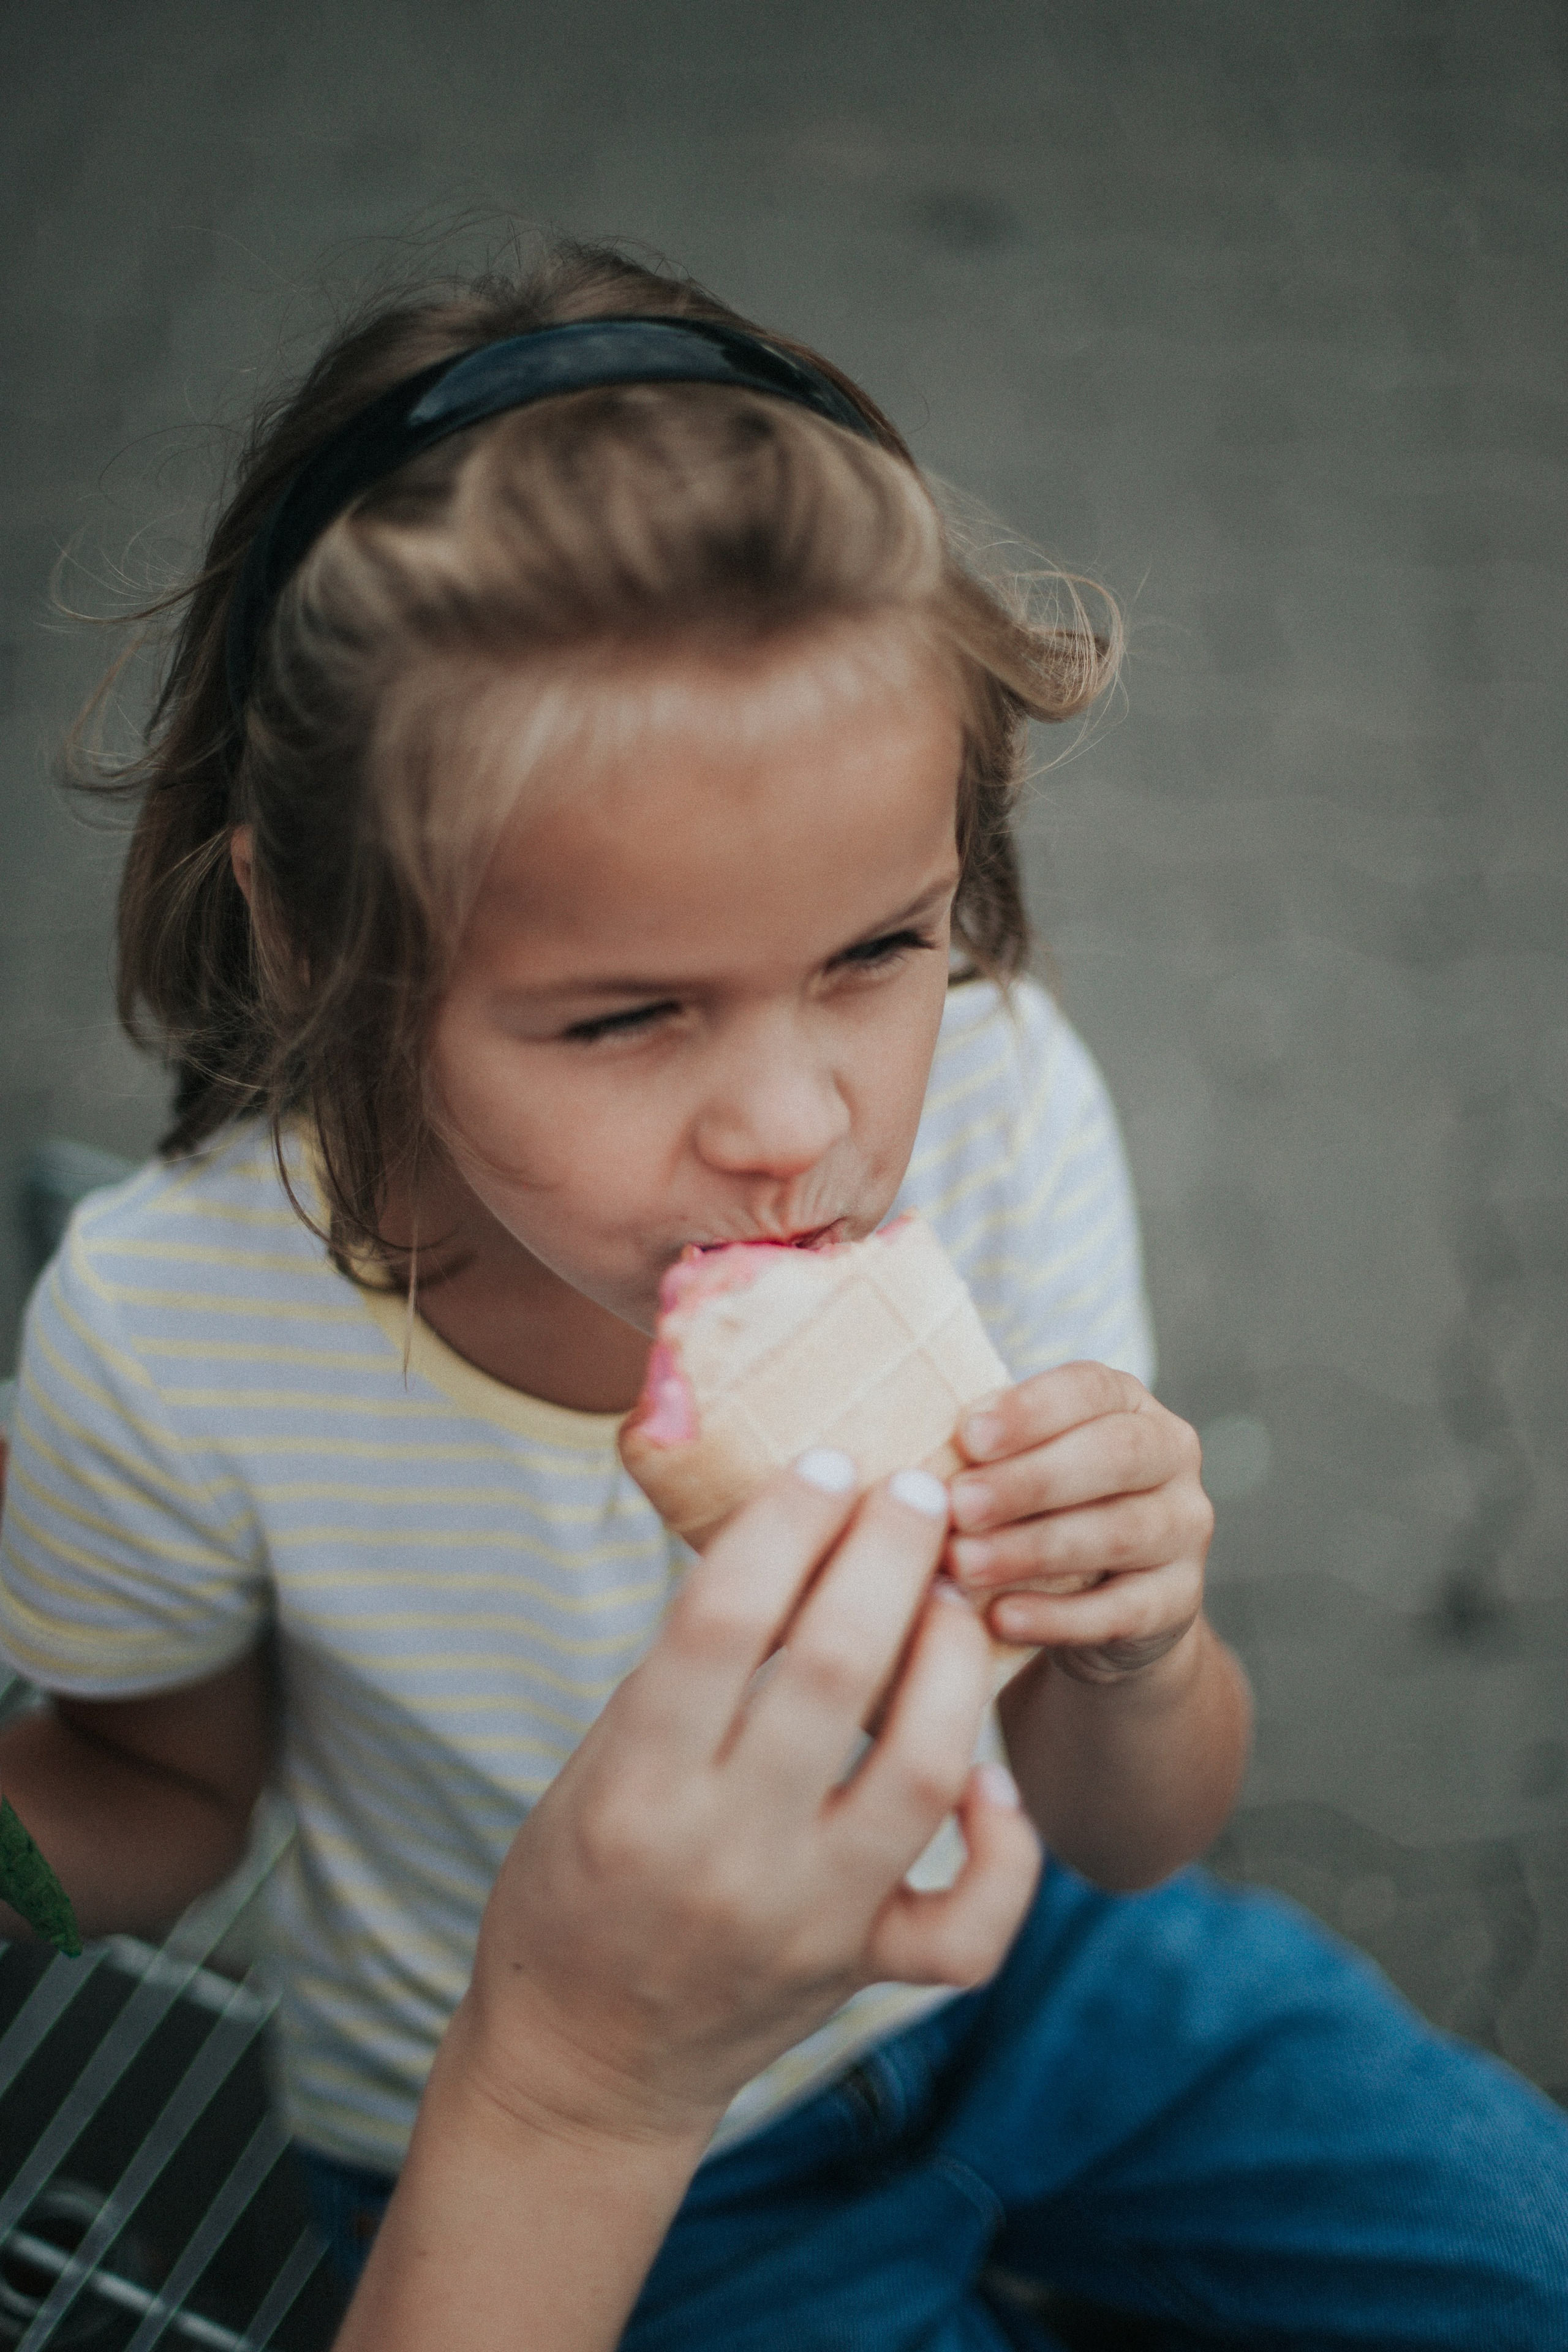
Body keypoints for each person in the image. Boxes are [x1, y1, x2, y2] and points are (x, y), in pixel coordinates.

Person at [0, 242, 1562, 2350]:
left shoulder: (999, 1103)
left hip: (1038, 1981)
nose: (795, 1122)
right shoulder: (173, 1333)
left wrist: (1136, 1649)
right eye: (624, 1013)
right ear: (312, 942)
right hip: (584, 2153)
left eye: (875, 951)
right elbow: (163, 1799)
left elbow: (1131, 1835)